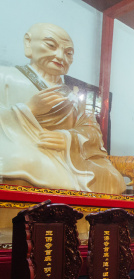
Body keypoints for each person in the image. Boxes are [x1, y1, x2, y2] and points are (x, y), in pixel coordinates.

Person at [0, 23, 125, 194]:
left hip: (67, 156)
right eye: (51, 45)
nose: (60, 57)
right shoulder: (5, 76)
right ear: (28, 43)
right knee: (18, 162)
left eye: (69, 53)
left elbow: (92, 131)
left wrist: (68, 139)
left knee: (112, 177)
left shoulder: (73, 95)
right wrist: (28, 110)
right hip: (25, 147)